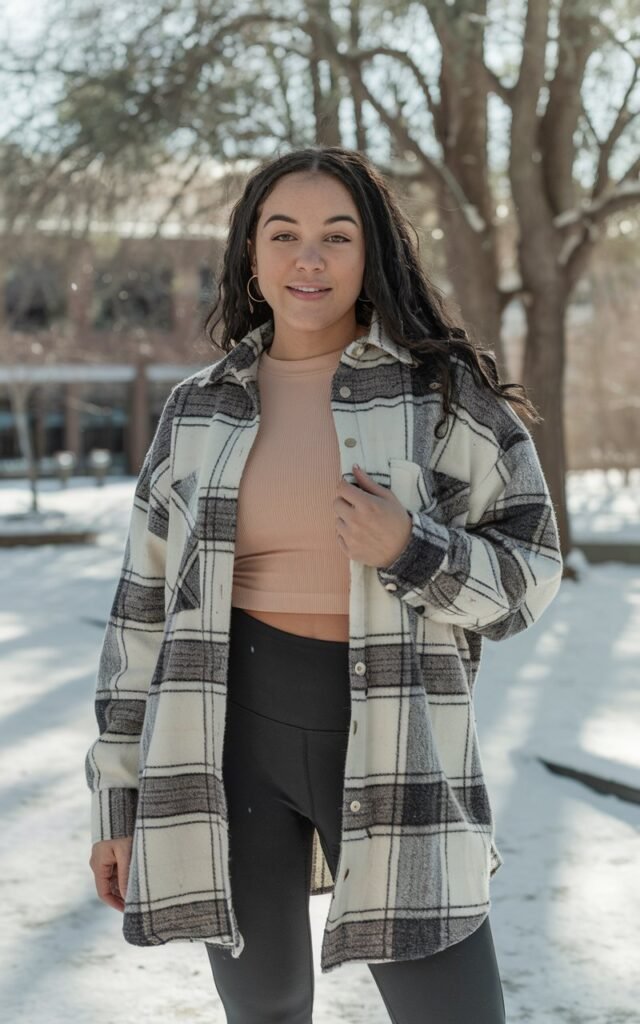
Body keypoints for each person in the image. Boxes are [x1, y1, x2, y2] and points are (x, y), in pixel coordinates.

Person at [86, 145, 563, 1023]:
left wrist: (413, 549)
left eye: (336, 236)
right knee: (263, 1008)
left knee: (455, 1011)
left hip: (397, 742)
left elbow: (532, 576)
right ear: (251, 253)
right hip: (228, 743)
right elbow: (140, 617)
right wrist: (118, 799)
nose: (309, 259)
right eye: (285, 234)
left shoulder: (442, 399)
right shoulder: (199, 409)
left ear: (370, 254)